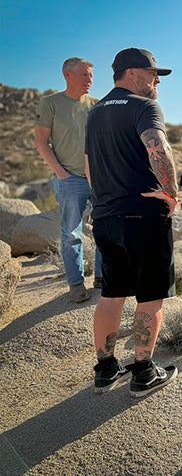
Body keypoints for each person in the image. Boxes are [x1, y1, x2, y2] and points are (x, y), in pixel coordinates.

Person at [84, 48, 179, 397]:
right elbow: (157, 147)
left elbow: (89, 166)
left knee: (111, 295)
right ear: (132, 72)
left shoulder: (94, 113)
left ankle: (105, 370)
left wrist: (105, 200)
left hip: (106, 216)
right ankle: (142, 373)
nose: (156, 81)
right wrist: (171, 191)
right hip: (143, 215)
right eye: (153, 73)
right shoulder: (144, 107)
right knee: (150, 298)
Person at [35, 57, 103, 302]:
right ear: (67, 74)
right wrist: (61, 174)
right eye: (84, 75)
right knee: (72, 233)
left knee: (104, 229)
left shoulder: (97, 105)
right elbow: (41, 141)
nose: (89, 80)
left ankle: (101, 278)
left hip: (99, 180)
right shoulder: (51, 103)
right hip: (70, 179)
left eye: (91, 76)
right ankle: (76, 284)